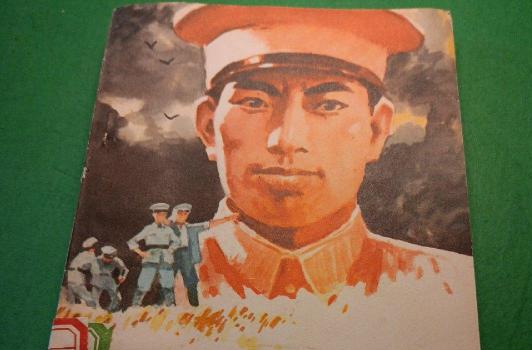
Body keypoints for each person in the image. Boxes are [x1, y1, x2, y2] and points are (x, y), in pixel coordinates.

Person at [173, 5, 470, 301]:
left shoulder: (451, 290)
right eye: (254, 102)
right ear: (208, 128)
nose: (286, 140)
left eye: (329, 105)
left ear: (376, 131)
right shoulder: (153, 286)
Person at [168, 203, 239, 306]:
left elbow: (209, 224)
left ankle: (194, 306)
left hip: (186, 255)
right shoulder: (167, 227)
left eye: (185, 213)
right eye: (180, 213)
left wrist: (227, 219)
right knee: (167, 281)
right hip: (171, 255)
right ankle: (169, 306)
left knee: (191, 282)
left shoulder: (190, 228)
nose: (183, 215)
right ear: (175, 214)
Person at [128, 203, 180, 306]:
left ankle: (171, 307)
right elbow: (132, 241)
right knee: (143, 284)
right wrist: (141, 253)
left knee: (168, 284)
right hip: (150, 259)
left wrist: (170, 250)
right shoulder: (148, 229)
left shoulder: (168, 229)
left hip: (166, 259)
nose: (162, 217)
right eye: (159, 214)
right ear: (154, 215)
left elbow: (177, 241)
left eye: (164, 215)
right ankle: (135, 307)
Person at [83, 246, 129, 312]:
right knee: (94, 298)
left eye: (110, 259)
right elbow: (86, 268)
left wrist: (122, 276)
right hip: (98, 279)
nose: (107, 260)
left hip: (109, 280)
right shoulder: (96, 259)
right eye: (106, 258)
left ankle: (111, 310)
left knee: (116, 297)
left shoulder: (117, 260)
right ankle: (96, 311)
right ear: (103, 254)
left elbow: (125, 269)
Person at [65, 236, 97, 306]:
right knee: (86, 296)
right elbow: (88, 267)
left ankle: (73, 301)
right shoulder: (88, 255)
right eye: (93, 248)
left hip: (73, 275)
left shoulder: (83, 254)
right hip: (76, 276)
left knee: (72, 293)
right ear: (91, 248)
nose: (94, 249)